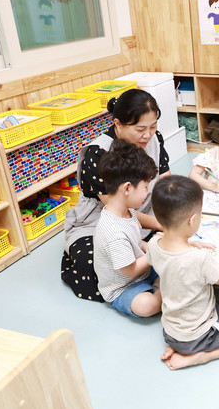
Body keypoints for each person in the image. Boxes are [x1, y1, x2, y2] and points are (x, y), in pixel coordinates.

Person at [62, 89, 170, 302]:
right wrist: (161, 225)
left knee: (168, 246)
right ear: (118, 124)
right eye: (140, 129)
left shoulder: (154, 139)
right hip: (101, 222)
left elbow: (166, 182)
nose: (148, 135)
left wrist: (173, 214)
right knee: (99, 266)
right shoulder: (97, 154)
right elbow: (118, 208)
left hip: (141, 213)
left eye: (153, 126)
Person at [147, 176, 219, 370]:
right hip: (197, 334)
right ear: (192, 220)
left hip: (171, 328)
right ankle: (201, 356)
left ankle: (179, 347)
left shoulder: (153, 244)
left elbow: (172, 261)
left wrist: (190, 244)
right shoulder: (198, 258)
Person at [93, 139, 161, 318]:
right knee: (147, 305)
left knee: (176, 270)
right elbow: (130, 270)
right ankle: (162, 294)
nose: (148, 192)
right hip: (123, 286)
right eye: (145, 187)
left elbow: (137, 243)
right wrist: (156, 250)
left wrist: (158, 246)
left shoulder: (128, 212)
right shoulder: (113, 232)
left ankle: (160, 289)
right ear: (127, 188)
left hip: (143, 270)